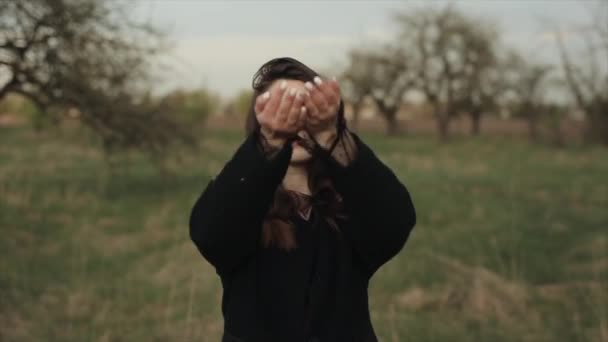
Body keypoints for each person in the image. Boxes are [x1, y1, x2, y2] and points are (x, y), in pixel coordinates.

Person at [189, 57, 416, 342]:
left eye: (307, 110)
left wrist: (330, 135)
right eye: (282, 108)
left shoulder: (350, 205)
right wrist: (271, 142)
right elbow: (210, 235)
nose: (296, 121)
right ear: (258, 121)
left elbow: (395, 223)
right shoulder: (241, 200)